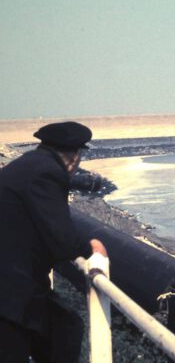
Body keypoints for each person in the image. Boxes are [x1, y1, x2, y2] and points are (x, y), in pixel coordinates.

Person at [0, 121, 107, 363]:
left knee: (63, 327)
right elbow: (62, 237)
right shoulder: (47, 173)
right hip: (9, 291)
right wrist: (91, 247)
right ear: (75, 156)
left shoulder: (29, 163)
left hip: (14, 280)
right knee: (61, 332)